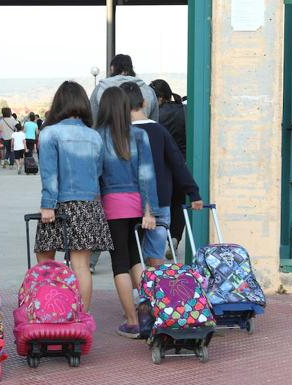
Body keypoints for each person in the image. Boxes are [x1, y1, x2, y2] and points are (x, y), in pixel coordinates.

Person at [35, 81, 113, 312]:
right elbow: (98, 172)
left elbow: (49, 174)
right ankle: (82, 316)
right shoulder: (94, 136)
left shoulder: (50, 133)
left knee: (45, 259)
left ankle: (50, 309)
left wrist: (47, 204)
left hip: (59, 204)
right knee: (81, 265)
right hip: (89, 204)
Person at [96, 87, 159, 338]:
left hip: (112, 206)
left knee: (119, 263)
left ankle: (132, 322)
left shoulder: (97, 136)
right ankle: (148, 314)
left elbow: (96, 176)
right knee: (136, 260)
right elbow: (147, 175)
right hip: (137, 206)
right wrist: (148, 210)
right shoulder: (140, 135)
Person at [120, 82, 203, 265]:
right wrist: (193, 193)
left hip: (130, 201)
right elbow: (177, 163)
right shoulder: (159, 130)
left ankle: (136, 292)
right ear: (144, 103)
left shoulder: (120, 134)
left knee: (132, 259)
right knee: (155, 256)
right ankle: (155, 291)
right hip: (161, 199)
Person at [150, 79, 188, 256]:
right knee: (178, 204)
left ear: (158, 97)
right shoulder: (184, 111)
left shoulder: (155, 116)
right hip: (182, 164)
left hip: (161, 167)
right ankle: (175, 237)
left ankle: (157, 242)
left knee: (161, 205)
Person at [90, 54, 159, 123]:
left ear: (112, 68)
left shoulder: (100, 88)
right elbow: (154, 119)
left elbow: (93, 118)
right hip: (144, 131)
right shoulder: (148, 90)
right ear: (131, 68)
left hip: (110, 132)